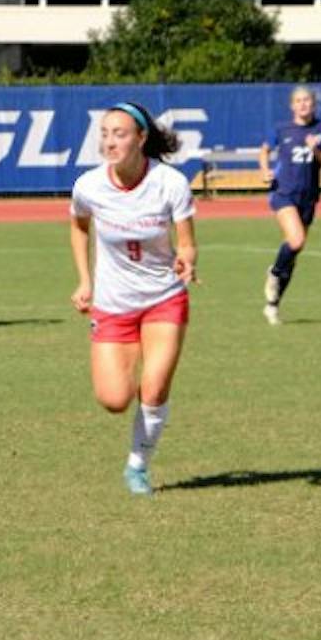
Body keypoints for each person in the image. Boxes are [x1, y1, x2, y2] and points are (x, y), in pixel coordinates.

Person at [69, 100, 198, 496]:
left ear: (141, 138)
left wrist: (186, 261)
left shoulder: (170, 182)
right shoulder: (88, 186)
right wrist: (84, 280)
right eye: (105, 133)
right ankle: (136, 440)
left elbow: (187, 244)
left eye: (119, 133)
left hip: (163, 298)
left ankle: (137, 466)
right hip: (113, 303)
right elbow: (78, 227)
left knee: (155, 388)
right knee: (114, 399)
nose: (109, 141)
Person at [258, 84, 321, 325]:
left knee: (294, 253)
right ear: (292, 105)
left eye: (307, 100)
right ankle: (273, 273)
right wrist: (264, 170)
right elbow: (264, 151)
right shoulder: (282, 129)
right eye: (299, 101)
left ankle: (273, 305)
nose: (304, 104)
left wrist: (317, 152)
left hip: (308, 197)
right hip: (283, 193)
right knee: (296, 240)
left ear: (314, 104)